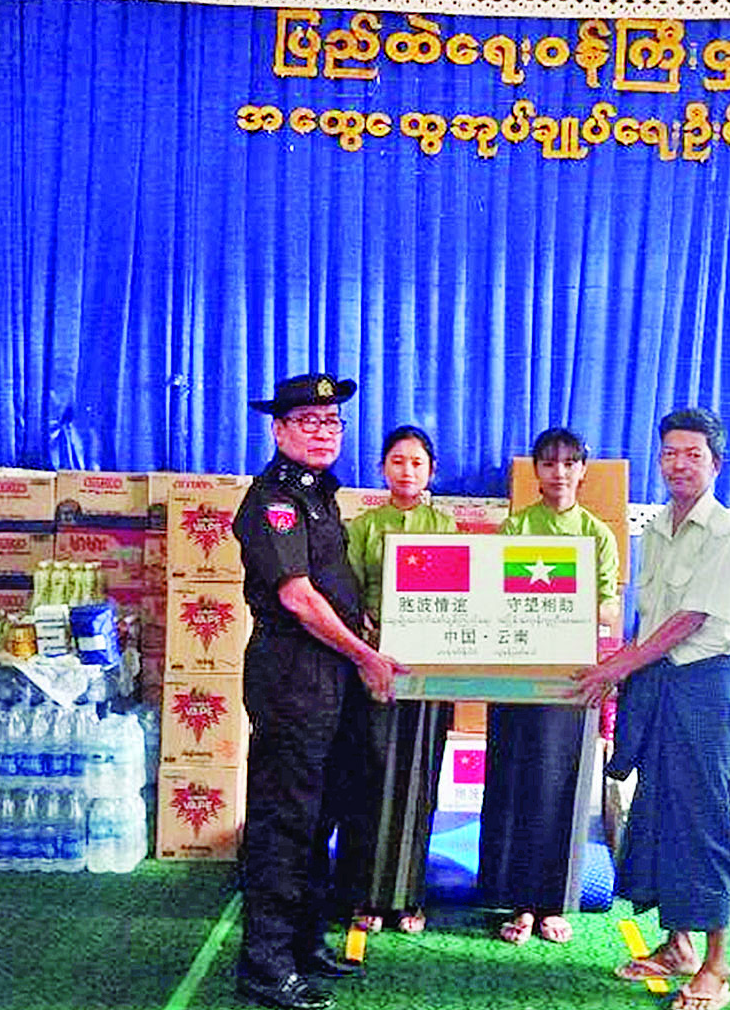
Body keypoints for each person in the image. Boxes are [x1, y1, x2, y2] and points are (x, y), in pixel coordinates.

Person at [232, 373, 409, 1010]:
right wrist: (366, 655)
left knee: (320, 815)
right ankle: (265, 964)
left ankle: (304, 943)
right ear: (279, 430)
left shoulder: (321, 497)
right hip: (293, 675)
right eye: (307, 422)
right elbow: (299, 599)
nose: (323, 432)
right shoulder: (273, 501)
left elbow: (334, 590)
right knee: (284, 820)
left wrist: (366, 635)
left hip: (330, 676)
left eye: (331, 422)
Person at [573, 407, 730, 1010]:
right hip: (659, 681)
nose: (679, 465)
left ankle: (717, 965)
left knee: (703, 816)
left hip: (704, 683)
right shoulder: (655, 529)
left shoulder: (727, 534)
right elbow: (650, 618)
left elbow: (689, 620)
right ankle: (677, 945)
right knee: (657, 810)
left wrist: (618, 667)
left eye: (692, 454)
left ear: (716, 463)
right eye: (670, 453)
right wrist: (622, 665)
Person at [478, 427, 620, 946]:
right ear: (535, 472)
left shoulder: (597, 535)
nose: (559, 472)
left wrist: (565, 611)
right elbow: (492, 596)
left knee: (563, 788)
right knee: (514, 784)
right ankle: (516, 902)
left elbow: (609, 611)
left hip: (572, 681)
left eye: (569, 463)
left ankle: (552, 904)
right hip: (517, 676)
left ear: (583, 470)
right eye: (549, 463)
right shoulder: (515, 528)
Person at [337, 425, 458, 935]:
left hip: (431, 669)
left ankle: (409, 899)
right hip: (376, 666)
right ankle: (363, 896)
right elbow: (348, 596)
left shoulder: (446, 526)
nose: (407, 470)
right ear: (382, 468)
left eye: (417, 462)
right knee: (368, 777)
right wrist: (369, 643)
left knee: (417, 780)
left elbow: (459, 596)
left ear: (431, 471)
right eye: (397, 461)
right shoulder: (364, 527)